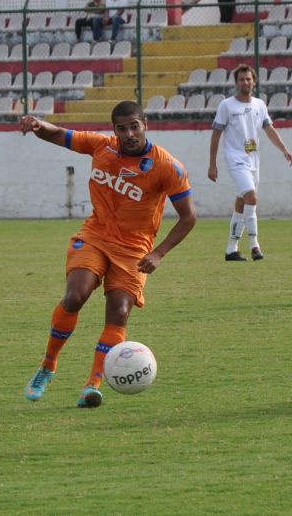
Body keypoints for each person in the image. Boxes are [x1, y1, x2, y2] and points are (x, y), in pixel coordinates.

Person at [19, 101, 196, 408]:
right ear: (114, 130)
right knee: (75, 295)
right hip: (95, 236)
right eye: (121, 128)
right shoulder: (102, 147)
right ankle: (48, 366)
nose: (128, 134)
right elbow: (60, 134)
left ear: (145, 125)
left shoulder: (167, 166)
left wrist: (159, 253)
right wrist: (38, 125)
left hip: (134, 248)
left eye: (134, 126)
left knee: (120, 310)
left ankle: (93, 384)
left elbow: (188, 217)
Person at [208, 64, 292, 262]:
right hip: (235, 159)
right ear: (236, 82)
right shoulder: (226, 105)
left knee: (242, 202)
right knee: (252, 197)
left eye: (248, 79)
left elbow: (269, 129)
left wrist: (284, 150)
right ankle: (254, 245)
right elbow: (215, 135)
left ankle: (231, 249)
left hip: (253, 160)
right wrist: (212, 164)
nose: (245, 82)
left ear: (254, 81)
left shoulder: (259, 105)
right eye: (241, 79)